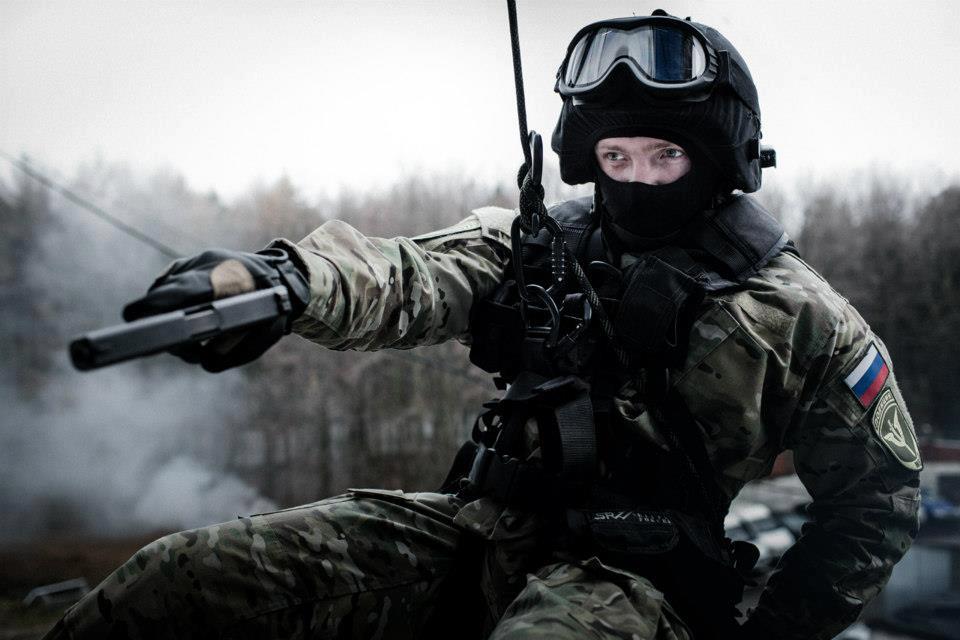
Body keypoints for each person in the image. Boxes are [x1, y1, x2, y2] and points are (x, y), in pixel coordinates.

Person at [44, 11, 921, 640]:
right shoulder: (539, 243)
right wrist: (281, 282)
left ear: (719, 158)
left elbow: (875, 503)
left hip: (638, 585)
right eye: (615, 156)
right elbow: (405, 275)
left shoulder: (801, 315)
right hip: (479, 532)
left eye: (666, 156)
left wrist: (776, 630)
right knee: (184, 580)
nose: (637, 178)